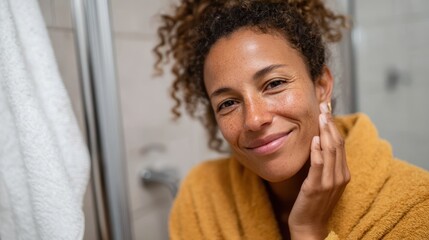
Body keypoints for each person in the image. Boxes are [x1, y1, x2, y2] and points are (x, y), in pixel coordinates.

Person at [154, 1, 429, 239]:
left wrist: (308, 231)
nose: (254, 119)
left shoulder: (415, 204)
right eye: (228, 103)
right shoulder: (200, 197)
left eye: (274, 84)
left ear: (321, 86)